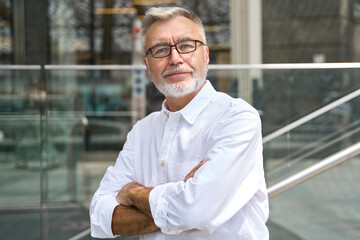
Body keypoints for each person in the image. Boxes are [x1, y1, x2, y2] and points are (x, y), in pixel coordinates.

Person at [90, 6, 269, 239]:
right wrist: (181, 203)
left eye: (185, 46)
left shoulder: (237, 118)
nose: (175, 59)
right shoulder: (142, 132)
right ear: (147, 66)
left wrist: (134, 194)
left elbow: (196, 211)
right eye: (160, 50)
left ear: (205, 55)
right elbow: (100, 216)